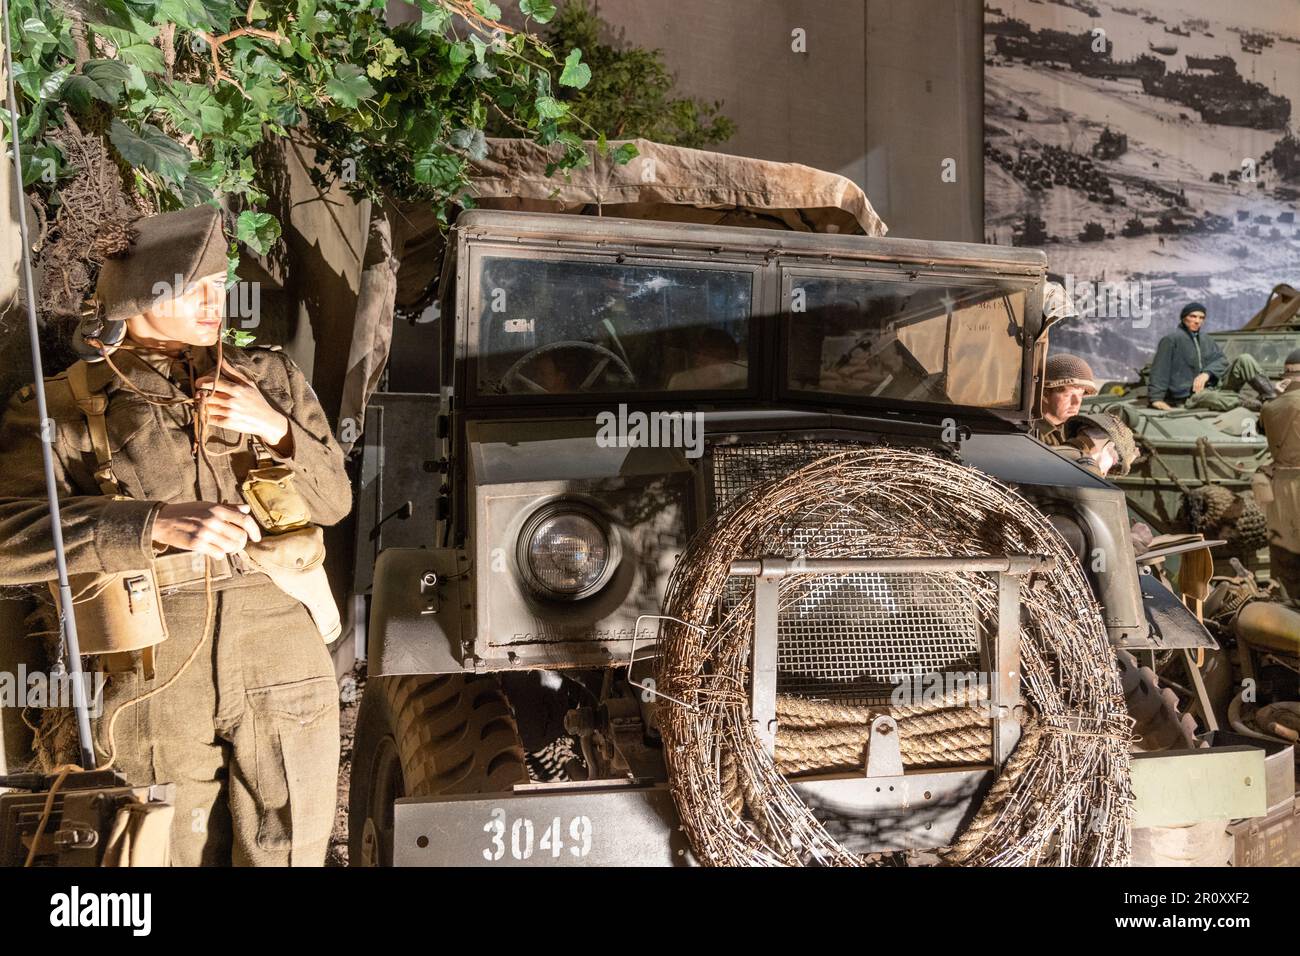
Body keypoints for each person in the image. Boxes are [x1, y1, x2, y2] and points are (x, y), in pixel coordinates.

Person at [0, 206, 353, 865]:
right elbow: (8, 542)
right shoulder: (61, 407)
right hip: (150, 668)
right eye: (193, 290)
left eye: (220, 285)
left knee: (291, 846)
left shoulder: (268, 378)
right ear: (135, 296)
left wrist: (273, 424)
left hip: (283, 653)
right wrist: (149, 524)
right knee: (159, 851)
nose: (216, 304)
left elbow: (334, 501)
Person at [1148, 302, 1277, 410]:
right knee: (1214, 398)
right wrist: (1156, 398)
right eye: (1193, 316)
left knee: (1245, 359)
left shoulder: (1206, 340)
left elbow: (1221, 360)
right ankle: (1254, 405)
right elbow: (1160, 369)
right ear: (1183, 318)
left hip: (1214, 386)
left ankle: (1271, 397)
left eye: (1201, 318)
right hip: (1190, 395)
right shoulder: (1171, 340)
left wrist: (1207, 373)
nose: (1197, 321)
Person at [1256, 349, 1300, 600]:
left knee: (1284, 552)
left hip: (1280, 485)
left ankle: (1287, 607)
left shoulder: (1270, 407)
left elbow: (1262, 429)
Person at [1032, 352, 1097, 446]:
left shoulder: (1077, 429)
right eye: (1068, 395)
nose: (1076, 403)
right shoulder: (1030, 435)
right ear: (1044, 394)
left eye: (1080, 395)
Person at [1055, 412, 1139, 479]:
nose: (1105, 474)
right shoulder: (1089, 473)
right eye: (1114, 461)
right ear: (1109, 447)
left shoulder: (1052, 450)